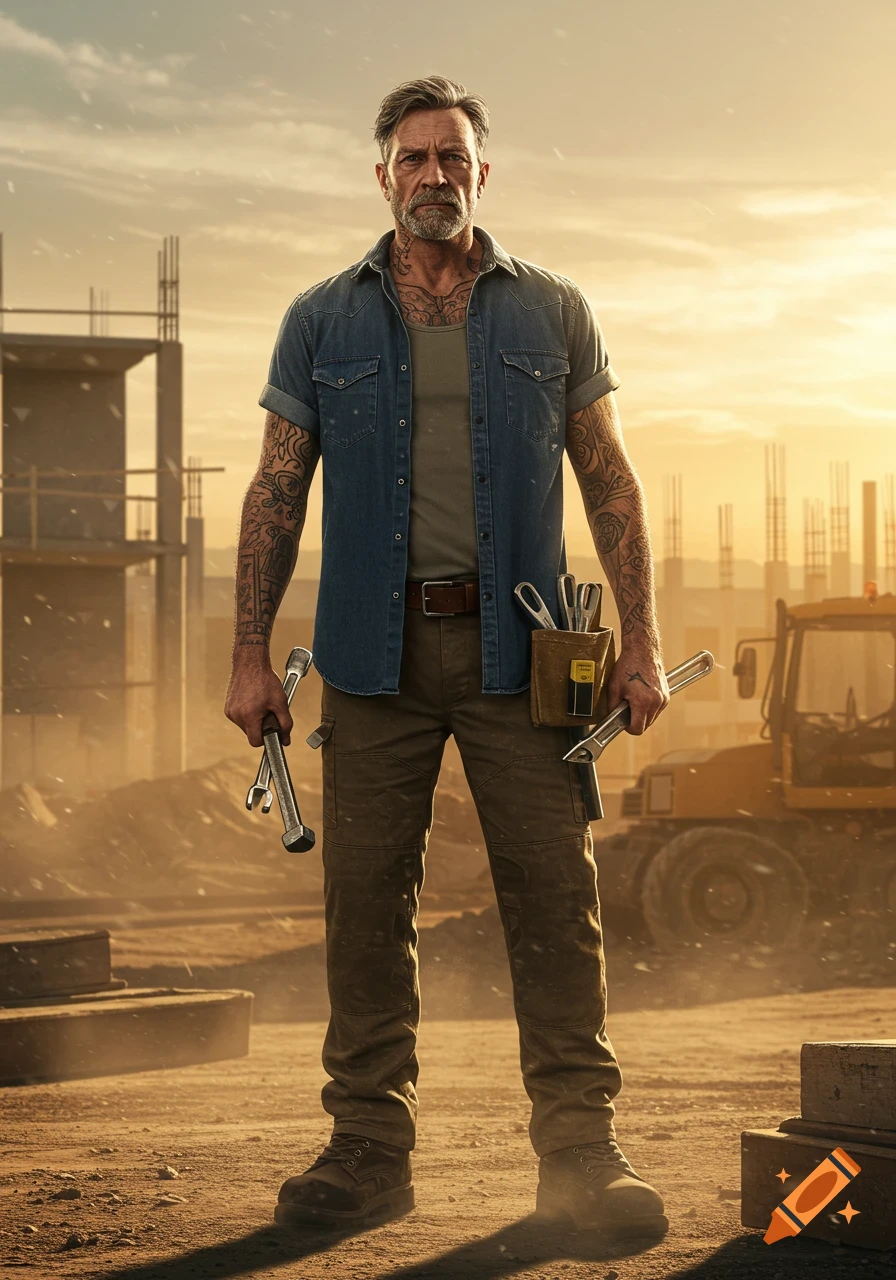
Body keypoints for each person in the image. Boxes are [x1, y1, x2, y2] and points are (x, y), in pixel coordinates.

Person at [225, 75, 670, 1237]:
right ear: (382, 176)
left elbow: (608, 481)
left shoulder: (551, 311)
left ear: (482, 173)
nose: (434, 174)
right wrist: (247, 654)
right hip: (370, 659)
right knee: (365, 902)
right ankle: (367, 1151)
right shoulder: (321, 320)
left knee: (555, 897)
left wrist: (641, 642)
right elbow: (275, 490)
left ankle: (582, 1153)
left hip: (524, 658)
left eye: (452, 157)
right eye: (413, 157)